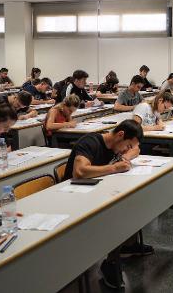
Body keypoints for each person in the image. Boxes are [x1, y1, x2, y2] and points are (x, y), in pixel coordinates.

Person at [62, 119, 153, 289]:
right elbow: (80, 171)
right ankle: (111, 263)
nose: (128, 149)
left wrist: (126, 155)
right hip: (73, 198)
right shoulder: (91, 142)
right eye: (128, 145)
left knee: (132, 202)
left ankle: (128, 245)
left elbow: (136, 149)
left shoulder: (117, 146)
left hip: (96, 192)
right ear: (120, 135)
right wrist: (115, 168)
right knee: (118, 213)